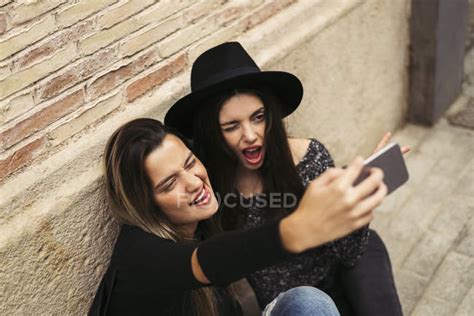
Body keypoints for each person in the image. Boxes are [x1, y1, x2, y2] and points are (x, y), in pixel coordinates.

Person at [164, 42, 405, 315]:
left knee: (370, 244)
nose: (251, 134)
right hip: (287, 305)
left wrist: (360, 201)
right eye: (232, 126)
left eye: (258, 117)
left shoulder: (308, 156)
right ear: (213, 133)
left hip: (336, 280)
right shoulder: (209, 188)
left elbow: (349, 253)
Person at [88, 118, 388, 315]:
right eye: (169, 183)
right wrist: (295, 230)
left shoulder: (203, 220)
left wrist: (351, 185)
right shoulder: (139, 255)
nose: (193, 182)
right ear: (146, 204)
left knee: (307, 302)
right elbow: (207, 261)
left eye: (191, 163)